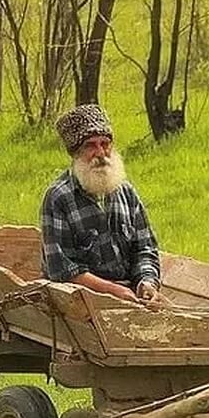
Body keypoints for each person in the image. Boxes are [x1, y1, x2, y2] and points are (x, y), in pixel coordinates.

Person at [40, 104, 161, 303]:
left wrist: (146, 282)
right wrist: (112, 291)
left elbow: (145, 249)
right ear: (75, 153)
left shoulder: (126, 192)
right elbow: (62, 270)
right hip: (80, 301)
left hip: (130, 295)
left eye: (105, 144)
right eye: (90, 146)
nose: (100, 153)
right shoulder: (59, 197)